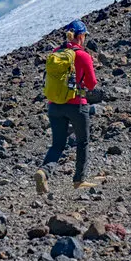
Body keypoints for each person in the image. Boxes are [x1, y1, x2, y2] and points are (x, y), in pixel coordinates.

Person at [35, 19, 98, 194]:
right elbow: (92, 84)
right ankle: (79, 180)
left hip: (54, 105)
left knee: (57, 145)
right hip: (77, 104)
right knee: (82, 142)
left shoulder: (56, 53)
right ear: (80, 36)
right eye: (84, 35)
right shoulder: (83, 55)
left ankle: (44, 172)